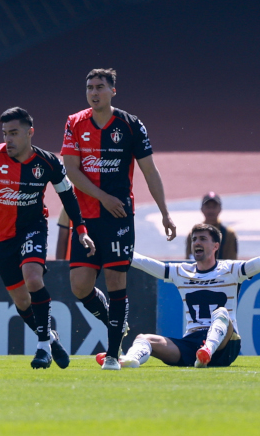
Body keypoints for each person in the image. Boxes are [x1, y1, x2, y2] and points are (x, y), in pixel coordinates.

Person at [0, 107, 93, 369]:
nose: (8, 139)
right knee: (22, 301)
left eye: (13, 133)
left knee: (33, 278)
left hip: (33, 228)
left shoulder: (48, 163)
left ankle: (42, 348)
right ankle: (51, 339)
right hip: (1, 239)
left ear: (29, 133)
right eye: (4, 133)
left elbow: (68, 196)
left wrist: (81, 230)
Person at [61, 68, 176, 371]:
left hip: (119, 218)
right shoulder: (75, 123)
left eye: (100, 87)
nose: (94, 92)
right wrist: (102, 197)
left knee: (115, 282)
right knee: (79, 286)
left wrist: (165, 213)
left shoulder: (130, 124)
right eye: (89, 87)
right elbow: (71, 171)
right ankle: (116, 322)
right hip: (86, 217)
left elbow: (150, 171)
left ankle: (112, 355)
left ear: (113, 91)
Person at [118, 220, 260, 368]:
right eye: (194, 239)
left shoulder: (232, 270)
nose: (197, 242)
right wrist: (118, 248)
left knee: (221, 312)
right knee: (144, 338)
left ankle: (207, 352)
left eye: (203, 239)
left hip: (225, 345)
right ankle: (128, 360)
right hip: (191, 344)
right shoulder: (181, 272)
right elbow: (146, 264)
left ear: (216, 246)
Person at [186, 192, 237, 260]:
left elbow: (232, 259)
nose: (211, 210)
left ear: (220, 209)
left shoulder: (229, 234)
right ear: (202, 209)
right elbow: (189, 259)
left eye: (214, 207)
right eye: (208, 207)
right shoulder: (193, 234)